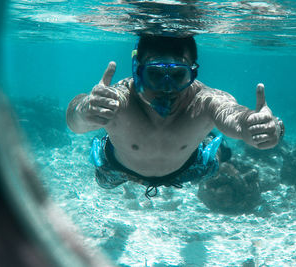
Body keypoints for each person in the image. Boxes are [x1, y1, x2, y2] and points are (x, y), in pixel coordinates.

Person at [66, 35, 284, 198]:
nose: (167, 88)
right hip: (117, 168)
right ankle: (101, 144)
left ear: (193, 73)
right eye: (155, 75)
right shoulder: (118, 99)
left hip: (189, 167)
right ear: (138, 72)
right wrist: (84, 112)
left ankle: (217, 147)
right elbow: (74, 120)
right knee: (102, 181)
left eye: (179, 75)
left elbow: (234, 116)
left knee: (215, 162)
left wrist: (251, 126)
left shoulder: (205, 100)